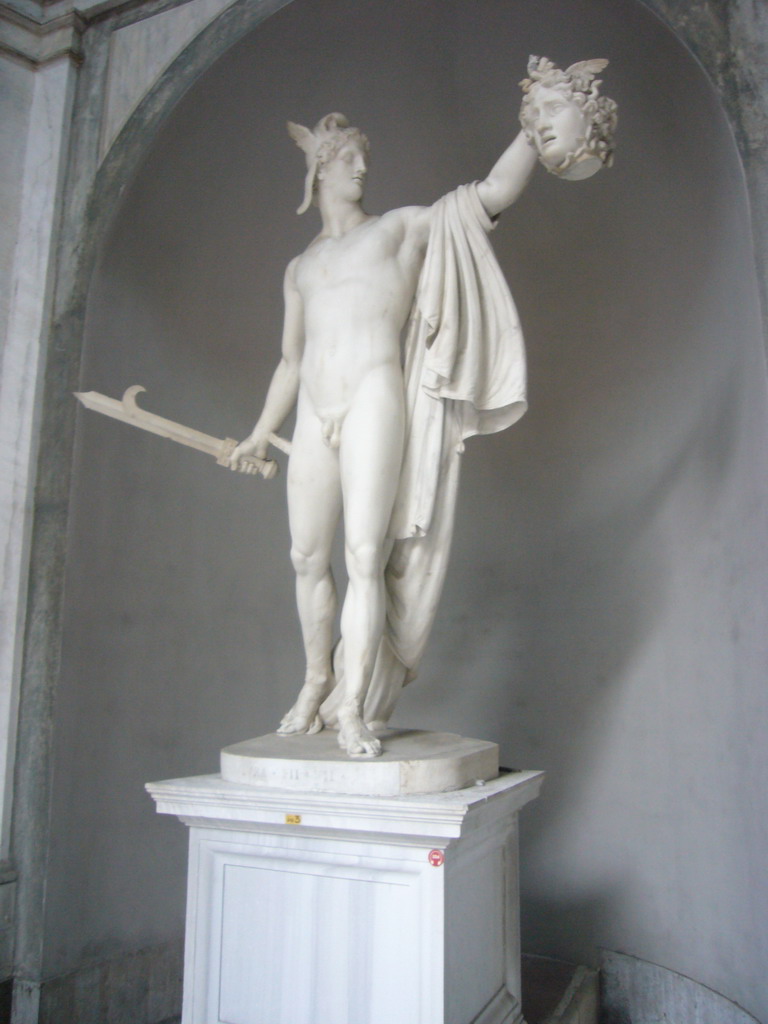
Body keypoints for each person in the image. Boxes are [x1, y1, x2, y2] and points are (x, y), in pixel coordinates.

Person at [229, 59, 617, 758]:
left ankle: (353, 705)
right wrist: (259, 433)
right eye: (348, 160)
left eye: (362, 160)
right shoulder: (300, 268)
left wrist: (536, 128)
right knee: (306, 557)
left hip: (375, 394)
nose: (360, 171)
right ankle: (316, 682)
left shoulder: (402, 231)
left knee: (364, 554)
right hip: (314, 407)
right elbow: (289, 360)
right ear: (320, 169)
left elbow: (491, 196)